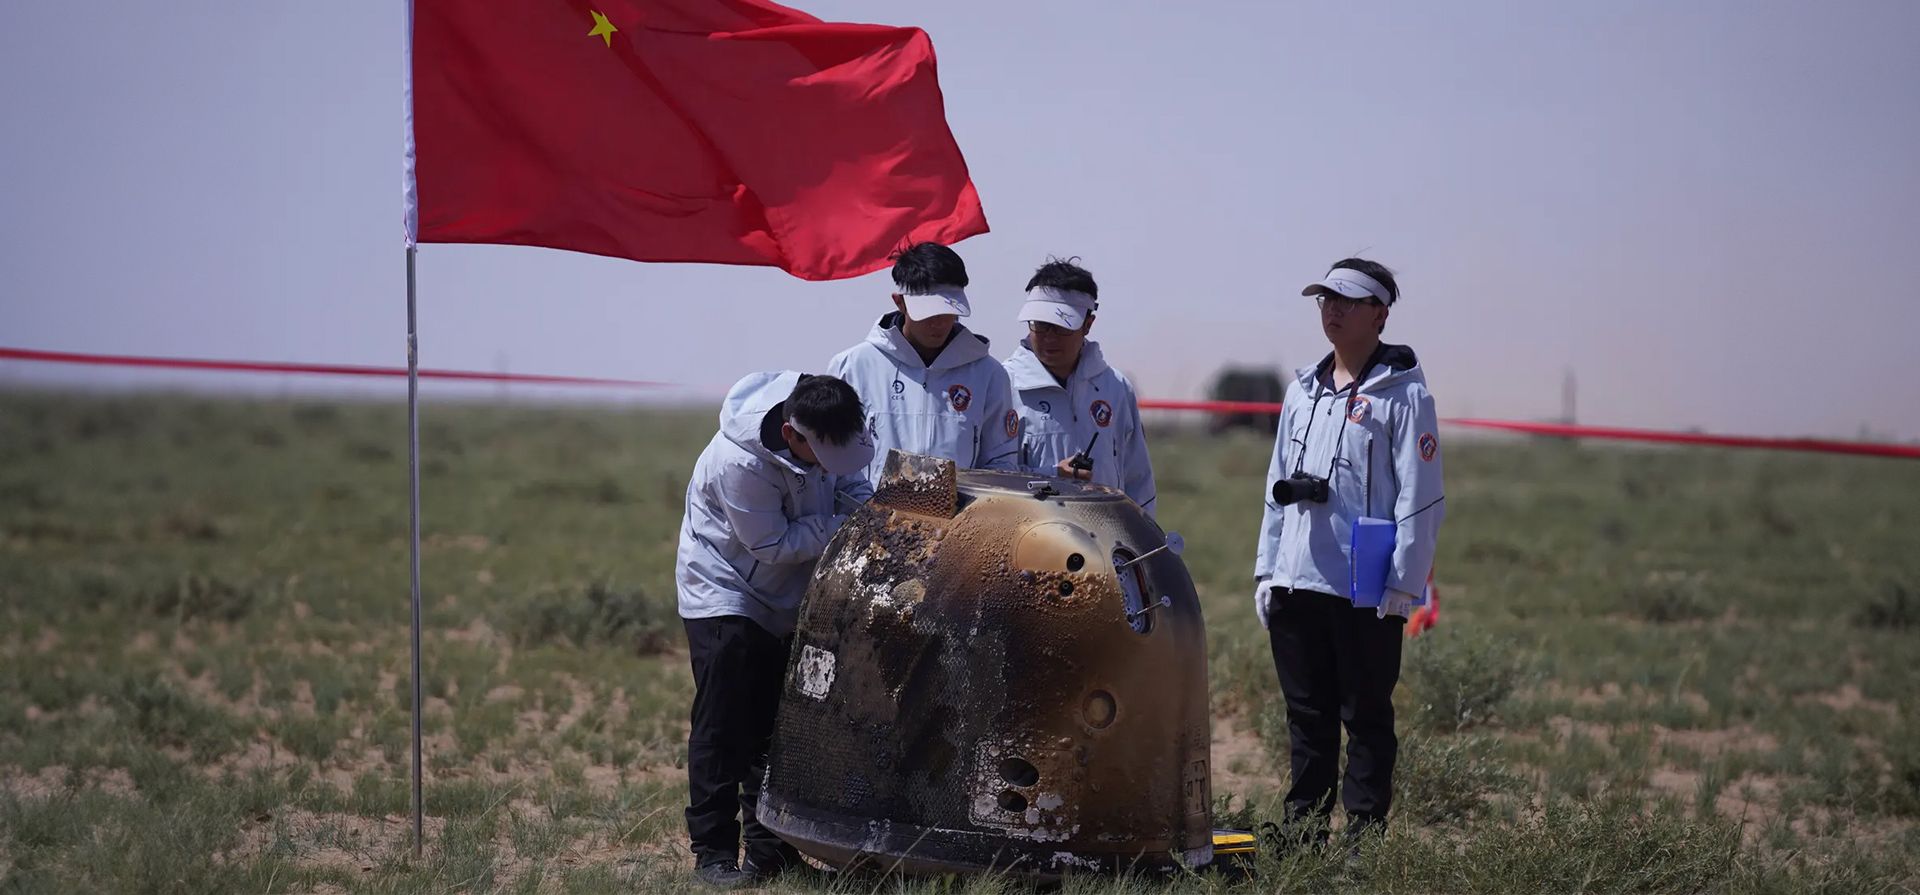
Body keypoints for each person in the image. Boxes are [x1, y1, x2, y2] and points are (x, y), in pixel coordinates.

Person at [1251, 258, 1445, 848]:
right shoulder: (1301, 391)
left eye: (1348, 300)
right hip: (1297, 582)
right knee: (1306, 720)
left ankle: (1363, 839)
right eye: (1324, 299)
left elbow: (1421, 495)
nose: (1332, 309)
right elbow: (1275, 487)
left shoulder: (1405, 395)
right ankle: (1304, 832)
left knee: (1365, 718)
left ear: (1380, 314)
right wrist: (1268, 571)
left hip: (1366, 587)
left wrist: (1404, 583)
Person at [675, 371, 874, 888]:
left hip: (789, 593)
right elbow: (773, 545)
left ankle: (772, 852)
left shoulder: (828, 416)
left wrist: (868, 507)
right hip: (726, 590)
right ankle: (713, 855)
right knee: (725, 726)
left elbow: (851, 483)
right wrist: (844, 525)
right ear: (792, 435)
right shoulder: (737, 463)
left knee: (778, 726)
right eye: (823, 458)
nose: (832, 468)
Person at [828, 242, 1020, 481]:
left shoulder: (988, 373)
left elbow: (1001, 462)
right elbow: (831, 457)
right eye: (927, 313)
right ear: (899, 302)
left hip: (962, 516)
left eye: (947, 311)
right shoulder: (852, 366)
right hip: (870, 513)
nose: (938, 323)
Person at [1002, 258, 1156, 516]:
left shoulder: (1116, 388)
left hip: (1105, 537)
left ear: (1088, 324)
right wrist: (1052, 476)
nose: (1049, 337)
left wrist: (1143, 545)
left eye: (1062, 326)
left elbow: (1139, 480)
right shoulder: (1003, 384)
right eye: (1040, 325)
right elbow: (990, 476)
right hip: (1028, 537)